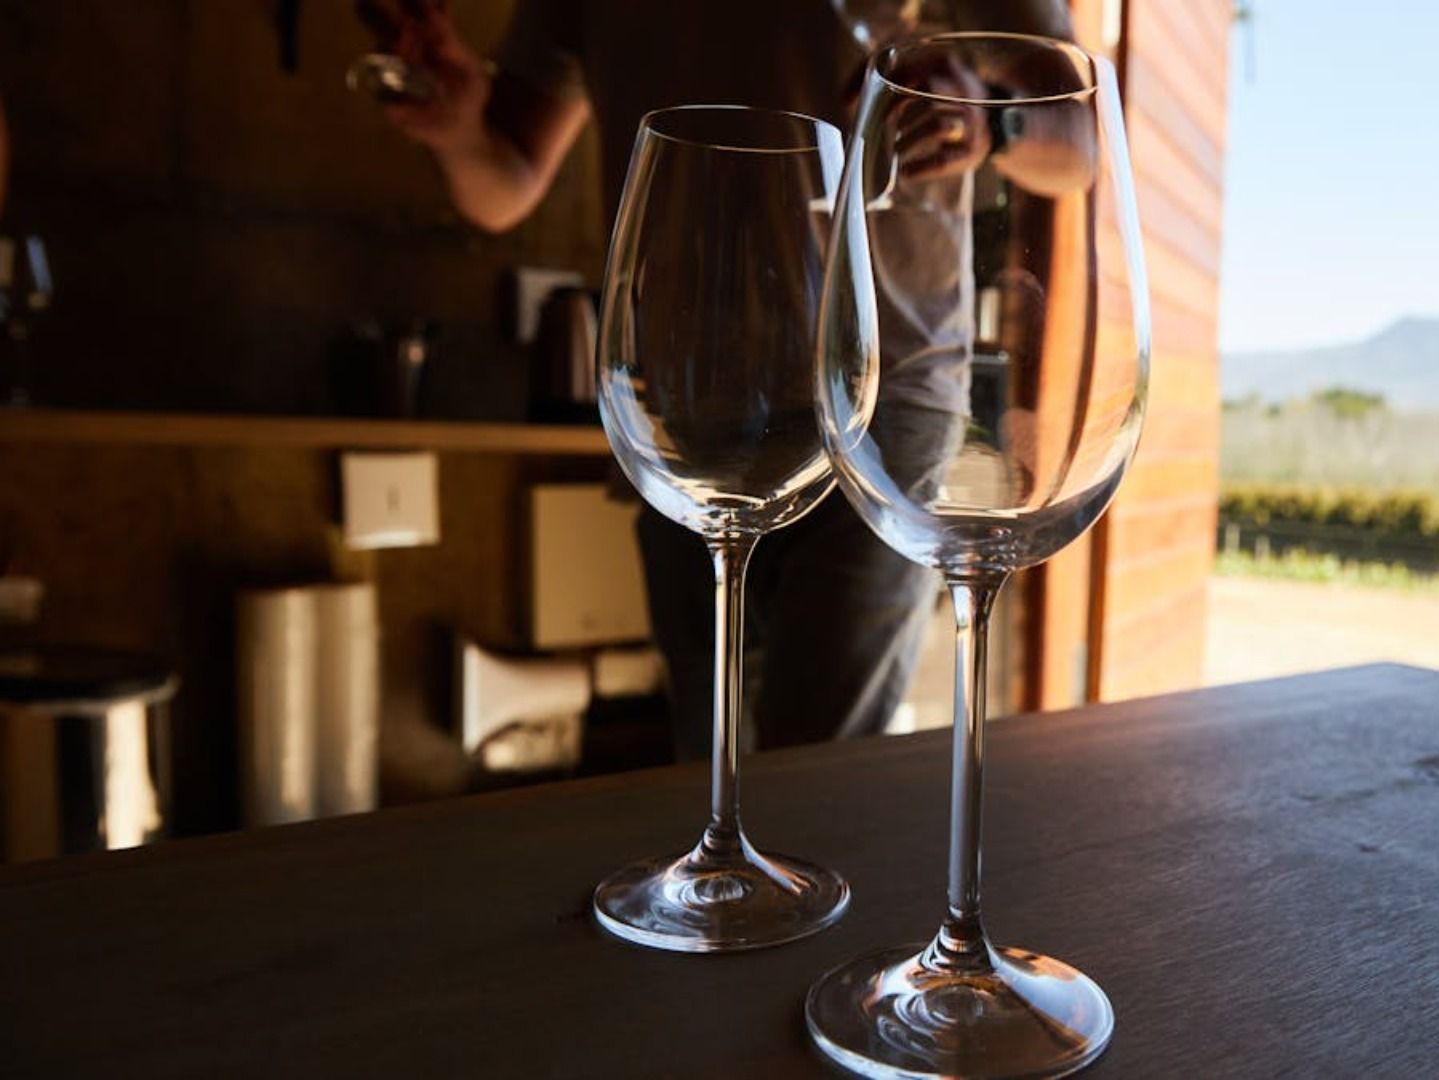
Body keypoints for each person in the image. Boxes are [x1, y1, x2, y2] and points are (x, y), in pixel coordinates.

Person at [360, 0, 1075, 759]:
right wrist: (464, 132)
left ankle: (811, 875)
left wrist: (996, 119)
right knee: (707, 751)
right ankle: (728, 875)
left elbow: (1082, 132)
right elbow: (505, 183)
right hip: (685, 390)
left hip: (883, 393)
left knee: (821, 759)